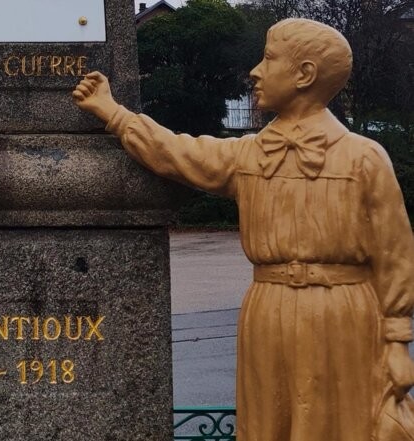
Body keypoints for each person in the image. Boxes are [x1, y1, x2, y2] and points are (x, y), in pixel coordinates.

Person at [73, 18, 414, 441]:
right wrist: (114, 113)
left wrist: (398, 342)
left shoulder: (364, 158)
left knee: (345, 422)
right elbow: (177, 152)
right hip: (267, 311)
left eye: (268, 59)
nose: (255, 71)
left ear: (304, 75)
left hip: (344, 315)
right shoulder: (248, 155)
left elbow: (396, 252)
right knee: (268, 421)